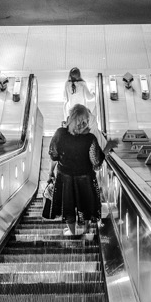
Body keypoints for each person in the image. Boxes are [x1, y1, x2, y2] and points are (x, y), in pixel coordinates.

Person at [48, 103, 107, 240]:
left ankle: (72, 232)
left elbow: (54, 155)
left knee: (67, 205)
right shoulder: (90, 139)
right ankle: (86, 230)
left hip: (65, 178)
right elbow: (96, 162)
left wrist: (51, 171)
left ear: (70, 118)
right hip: (85, 178)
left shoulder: (60, 133)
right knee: (86, 204)